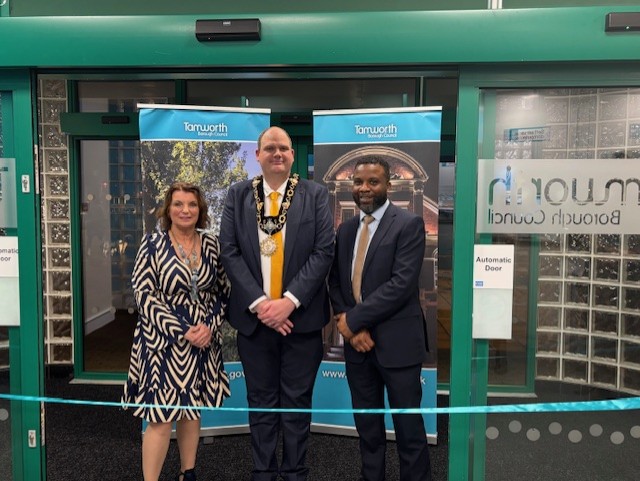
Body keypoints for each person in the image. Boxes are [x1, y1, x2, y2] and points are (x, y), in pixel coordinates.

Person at [219, 126, 334, 481]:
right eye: (269, 148)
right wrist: (260, 303)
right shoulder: (237, 195)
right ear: (258, 155)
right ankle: (263, 472)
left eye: (283, 147)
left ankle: (295, 472)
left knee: (297, 404)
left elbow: (323, 250)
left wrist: (288, 302)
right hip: (255, 322)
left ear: (292, 155)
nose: (277, 153)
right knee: (262, 402)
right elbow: (230, 251)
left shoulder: (315, 194)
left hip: (302, 320)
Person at [328, 156, 432, 481]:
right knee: (368, 429)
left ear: (389, 185)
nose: (364, 188)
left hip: (397, 346)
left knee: (409, 431)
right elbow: (335, 281)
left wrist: (351, 320)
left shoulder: (408, 224)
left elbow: (400, 286)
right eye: (358, 182)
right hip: (358, 349)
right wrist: (350, 328)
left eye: (373, 182)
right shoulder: (345, 230)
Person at [122, 182, 230, 481]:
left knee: (192, 411)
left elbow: (223, 291)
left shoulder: (212, 244)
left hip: (202, 341)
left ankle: (188, 472)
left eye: (192, 205)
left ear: (201, 210)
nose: (186, 210)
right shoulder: (152, 244)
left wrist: (209, 325)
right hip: (163, 342)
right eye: (179, 204)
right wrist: (182, 330)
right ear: (168, 210)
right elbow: (144, 294)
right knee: (160, 416)